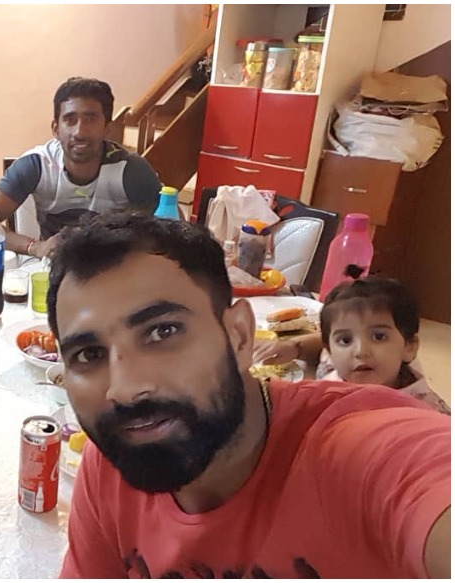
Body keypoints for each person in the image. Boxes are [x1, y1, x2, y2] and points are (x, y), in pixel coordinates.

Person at [45, 210, 450, 578]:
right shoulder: (115, 460)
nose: (125, 390)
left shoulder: (360, 451)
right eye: (89, 354)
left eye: (163, 332)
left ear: (239, 337)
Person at [0, 77, 162, 259]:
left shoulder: (132, 170)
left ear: (107, 129)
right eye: (70, 119)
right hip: (56, 269)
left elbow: (168, 236)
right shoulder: (35, 165)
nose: (79, 132)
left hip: (116, 268)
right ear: (56, 129)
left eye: (90, 119)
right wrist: (35, 247)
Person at [253, 277, 449, 414]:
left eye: (379, 337)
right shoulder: (330, 370)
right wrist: (294, 347)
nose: (361, 351)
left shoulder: (426, 412)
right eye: (345, 340)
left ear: (410, 348)